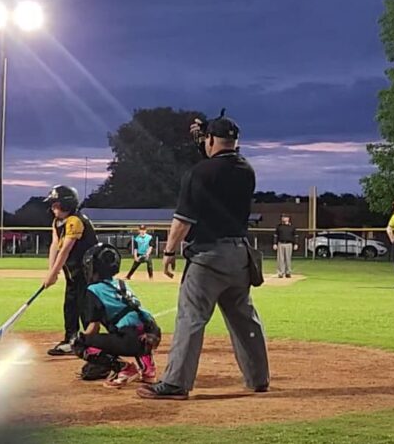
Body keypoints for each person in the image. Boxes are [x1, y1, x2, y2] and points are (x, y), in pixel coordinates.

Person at [137, 110, 270, 400]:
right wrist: (205, 138)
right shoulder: (247, 170)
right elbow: (220, 162)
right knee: (244, 318)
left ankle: (175, 383)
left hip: (209, 257)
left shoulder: (199, 173)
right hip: (239, 255)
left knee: (191, 318)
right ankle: (258, 378)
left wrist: (169, 250)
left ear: (210, 140)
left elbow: (183, 219)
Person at [70, 243, 161, 387]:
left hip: (131, 340)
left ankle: (124, 368)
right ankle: (148, 370)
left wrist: (81, 341)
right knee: (136, 327)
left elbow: (94, 327)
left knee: (79, 343)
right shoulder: (121, 283)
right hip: (153, 334)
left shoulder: (93, 289)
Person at [43, 185, 99, 356]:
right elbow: (55, 246)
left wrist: (53, 274)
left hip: (87, 272)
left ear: (67, 205)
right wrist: (51, 271)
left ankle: (89, 342)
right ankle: (71, 338)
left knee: (84, 305)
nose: (53, 208)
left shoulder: (75, 221)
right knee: (70, 305)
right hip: (73, 273)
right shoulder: (58, 222)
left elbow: (66, 249)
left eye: (56, 205)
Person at [273, 214, 299, 278]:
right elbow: (276, 236)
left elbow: (295, 236)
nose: (283, 218)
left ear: (288, 218)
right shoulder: (279, 226)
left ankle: (288, 272)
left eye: (285, 217)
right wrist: (275, 243)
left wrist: (296, 244)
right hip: (280, 243)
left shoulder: (292, 227)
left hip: (289, 244)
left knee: (288, 258)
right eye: (282, 217)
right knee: (280, 259)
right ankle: (281, 272)